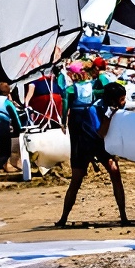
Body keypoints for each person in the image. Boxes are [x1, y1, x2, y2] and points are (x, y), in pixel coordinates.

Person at [56, 81, 129, 227]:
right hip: (84, 144)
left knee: (115, 172)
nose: (124, 102)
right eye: (122, 99)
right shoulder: (93, 110)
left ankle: (124, 217)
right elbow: (101, 133)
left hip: (101, 145)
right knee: (76, 180)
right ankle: (63, 218)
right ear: (113, 99)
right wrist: (108, 116)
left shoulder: (119, 108)